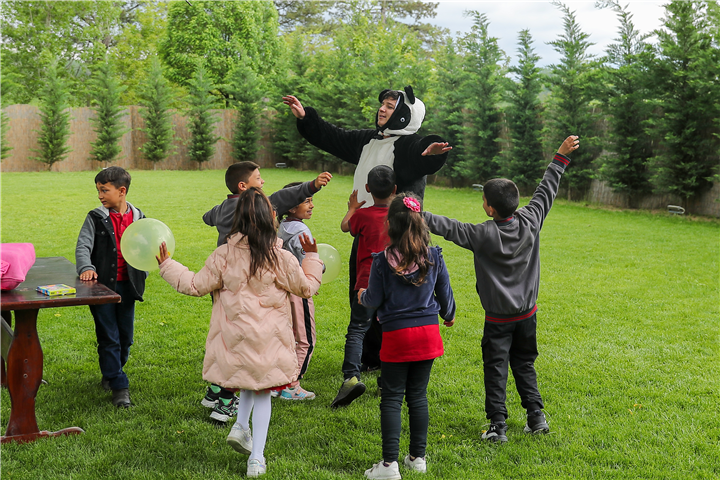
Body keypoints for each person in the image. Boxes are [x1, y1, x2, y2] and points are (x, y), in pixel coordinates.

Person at [422, 135, 580, 443]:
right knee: (524, 364)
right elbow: (547, 189)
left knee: (495, 369)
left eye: (483, 200)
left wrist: (415, 210)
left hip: (498, 321)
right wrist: (560, 157)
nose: (482, 203)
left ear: (491, 209)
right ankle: (536, 417)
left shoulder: (481, 235)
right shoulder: (531, 219)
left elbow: (448, 227)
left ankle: (497, 426)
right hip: (527, 316)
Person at [157, 187, 323, 478]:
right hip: (269, 341)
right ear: (270, 218)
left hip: (235, 340)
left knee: (249, 382)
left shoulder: (223, 255)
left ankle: (240, 426)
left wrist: (167, 265)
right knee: (262, 392)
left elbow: (194, 285)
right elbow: (306, 288)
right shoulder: (281, 258)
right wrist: (311, 257)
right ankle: (256, 457)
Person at [283, 86, 451, 372]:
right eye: (382, 104)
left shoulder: (408, 145)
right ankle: (372, 356)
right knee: (362, 291)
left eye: (390, 106)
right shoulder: (369, 140)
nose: (382, 109)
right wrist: (306, 118)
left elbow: (422, 153)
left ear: (404, 115)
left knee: (395, 294)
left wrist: (432, 153)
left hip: (399, 237)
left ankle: (394, 353)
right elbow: (334, 136)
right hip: (366, 231)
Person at [201, 161, 332, 421]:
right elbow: (283, 198)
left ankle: (214, 391)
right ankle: (226, 401)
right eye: (259, 178)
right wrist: (311, 186)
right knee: (242, 343)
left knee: (226, 338)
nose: (263, 183)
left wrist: (216, 217)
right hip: (247, 283)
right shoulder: (253, 207)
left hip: (223, 282)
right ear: (244, 186)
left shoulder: (222, 209)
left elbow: (207, 217)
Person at [358, 193, 455, 479]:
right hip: (428, 335)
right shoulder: (434, 256)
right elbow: (446, 296)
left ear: (390, 224)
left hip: (397, 336)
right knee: (418, 396)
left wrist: (362, 296)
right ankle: (417, 458)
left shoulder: (382, 261)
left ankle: (389, 465)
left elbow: (373, 299)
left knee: (391, 398)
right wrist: (448, 315)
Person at [75, 166, 148, 408]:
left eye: (104, 190)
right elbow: (83, 246)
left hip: (128, 288)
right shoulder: (95, 217)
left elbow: (147, 248)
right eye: (98, 190)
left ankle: (112, 370)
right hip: (102, 288)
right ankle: (119, 386)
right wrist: (86, 267)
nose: (100, 196)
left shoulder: (139, 218)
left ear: (122, 191)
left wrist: (144, 271)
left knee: (125, 338)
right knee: (109, 337)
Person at [331, 165, 396, 408]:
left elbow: (345, 226)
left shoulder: (363, 215)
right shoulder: (400, 217)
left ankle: (351, 377)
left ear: (368, 188)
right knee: (389, 330)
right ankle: (386, 381)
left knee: (358, 329)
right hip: (393, 284)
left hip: (366, 283)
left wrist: (352, 209)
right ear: (395, 189)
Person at [276, 181, 324, 400]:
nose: (312, 205)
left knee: (287, 337)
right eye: (307, 201)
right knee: (305, 340)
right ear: (292, 207)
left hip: (283, 289)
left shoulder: (281, 226)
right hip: (299, 289)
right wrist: (320, 268)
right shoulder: (301, 230)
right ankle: (290, 385)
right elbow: (306, 261)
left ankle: (278, 382)